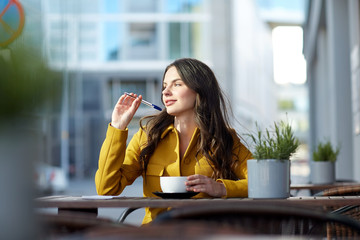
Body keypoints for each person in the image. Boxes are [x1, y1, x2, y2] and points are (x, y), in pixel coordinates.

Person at [95, 58, 252, 225]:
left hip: (206, 232)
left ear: (200, 90)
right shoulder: (147, 137)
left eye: (177, 84)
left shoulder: (223, 138)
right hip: (156, 234)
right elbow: (106, 188)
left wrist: (221, 188)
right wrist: (117, 127)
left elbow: (261, 183)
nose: (165, 92)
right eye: (164, 86)